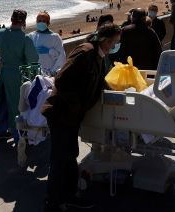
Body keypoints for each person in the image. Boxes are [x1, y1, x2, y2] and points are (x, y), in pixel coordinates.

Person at [43, 23, 122, 212]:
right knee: (60, 159)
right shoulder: (85, 52)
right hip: (62, 114)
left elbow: (97, 80)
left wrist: (115, 93)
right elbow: (62, 79)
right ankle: (53, 202)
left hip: (71, 116)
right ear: (106, 40)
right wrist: (77, 106)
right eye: (115, 42)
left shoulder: (97, 56)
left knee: (70, 156)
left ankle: (69, 196)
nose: (116, 46)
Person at [0, 9, 38, 142]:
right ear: (24, 21)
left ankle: (0, 130)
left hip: (4, 72)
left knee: (3, 99)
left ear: (11, 19)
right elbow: (32, 59)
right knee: (16, 104)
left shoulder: (1, 34)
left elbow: (0, 48)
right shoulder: (25, 38)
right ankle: (17, 134)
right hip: (17, 74)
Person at [28, 11, 66, 76]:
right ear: (36, 22)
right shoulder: (30, 36)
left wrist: (50, 51)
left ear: (48, 23)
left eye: (43, 21)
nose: (41, 22)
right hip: (34, 73)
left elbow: (61, 56)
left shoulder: (55, 37)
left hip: (50, 73)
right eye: (39, 21)